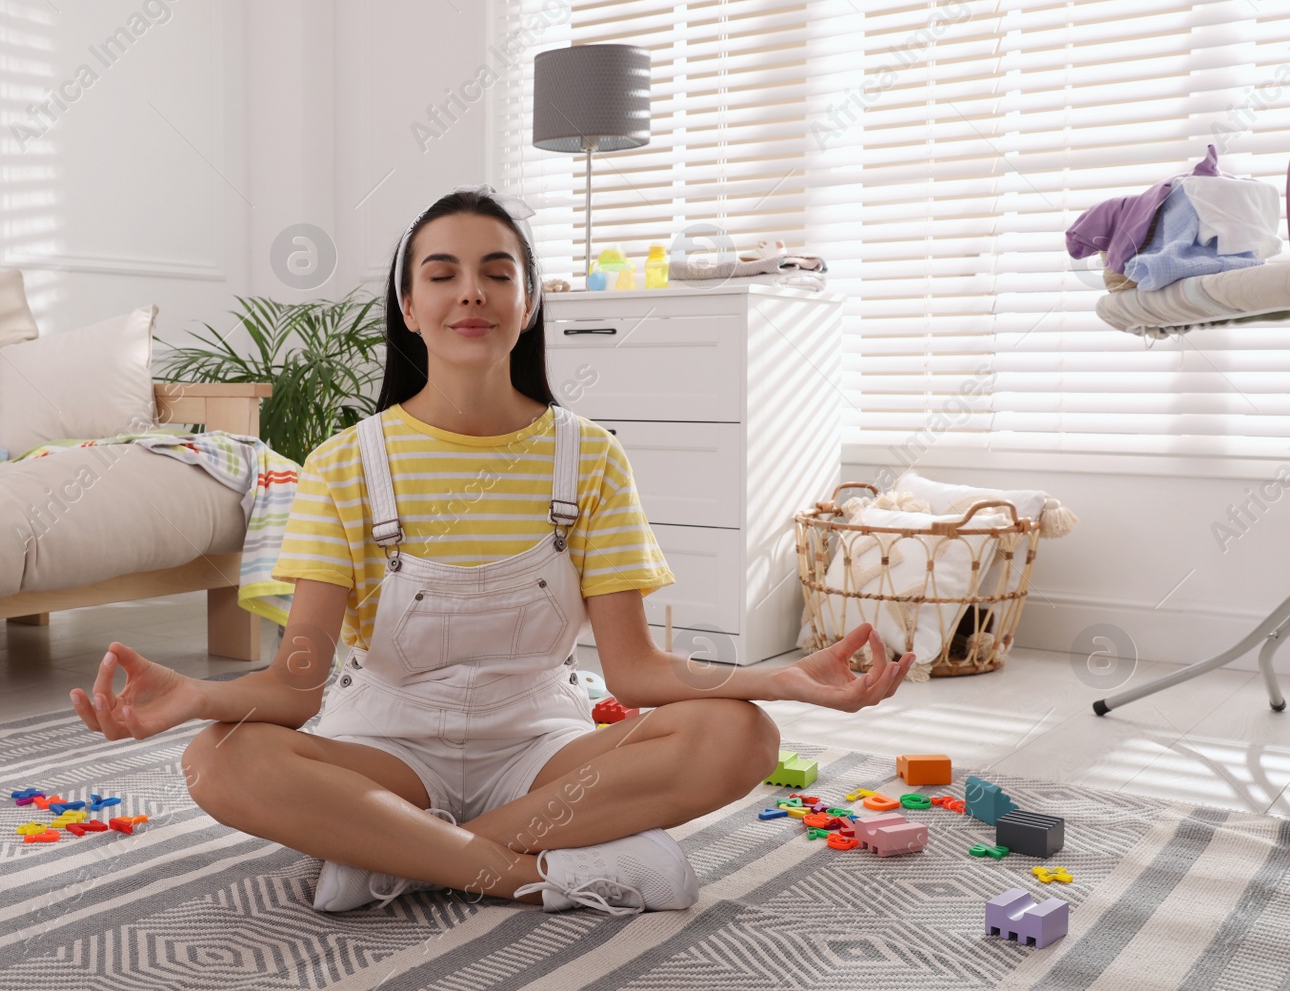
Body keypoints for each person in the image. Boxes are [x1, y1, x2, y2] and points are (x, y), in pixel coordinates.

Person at [69, 185, 915, 916]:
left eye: (497, 273)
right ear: (408, 306)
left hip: (543, 752)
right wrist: (195, 698)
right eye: (441, 274)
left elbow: (636, 674)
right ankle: (528, 877)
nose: (469, 293)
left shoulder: (590, 458)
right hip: (387, 748)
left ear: (530, 300)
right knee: (219, 758)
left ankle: (394, 853)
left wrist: (785, 678)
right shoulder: (344, 464)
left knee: (741, 738)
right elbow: (296, 685)